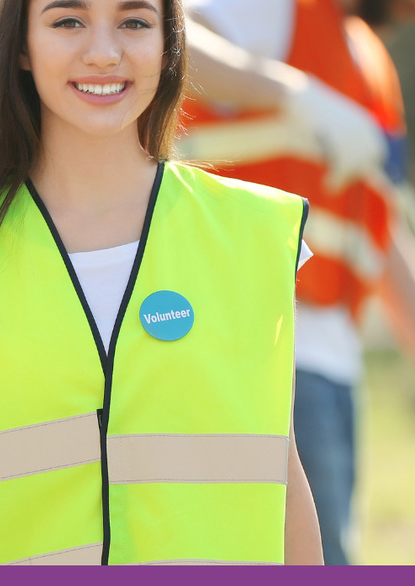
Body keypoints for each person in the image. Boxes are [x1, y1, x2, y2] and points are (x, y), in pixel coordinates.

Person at [0, 0, 324, 565]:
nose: (103, 52)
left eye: (134, 22)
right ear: (22, 45)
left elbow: (279, 478)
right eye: (68, 20)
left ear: (168, 42)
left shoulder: (258, 236)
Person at [178, 0, 415, 565]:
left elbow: (374, 234)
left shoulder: (369, 58)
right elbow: (166, 43)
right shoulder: (275, 8)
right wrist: (295, 95)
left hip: (333, 364)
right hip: (265, 343)